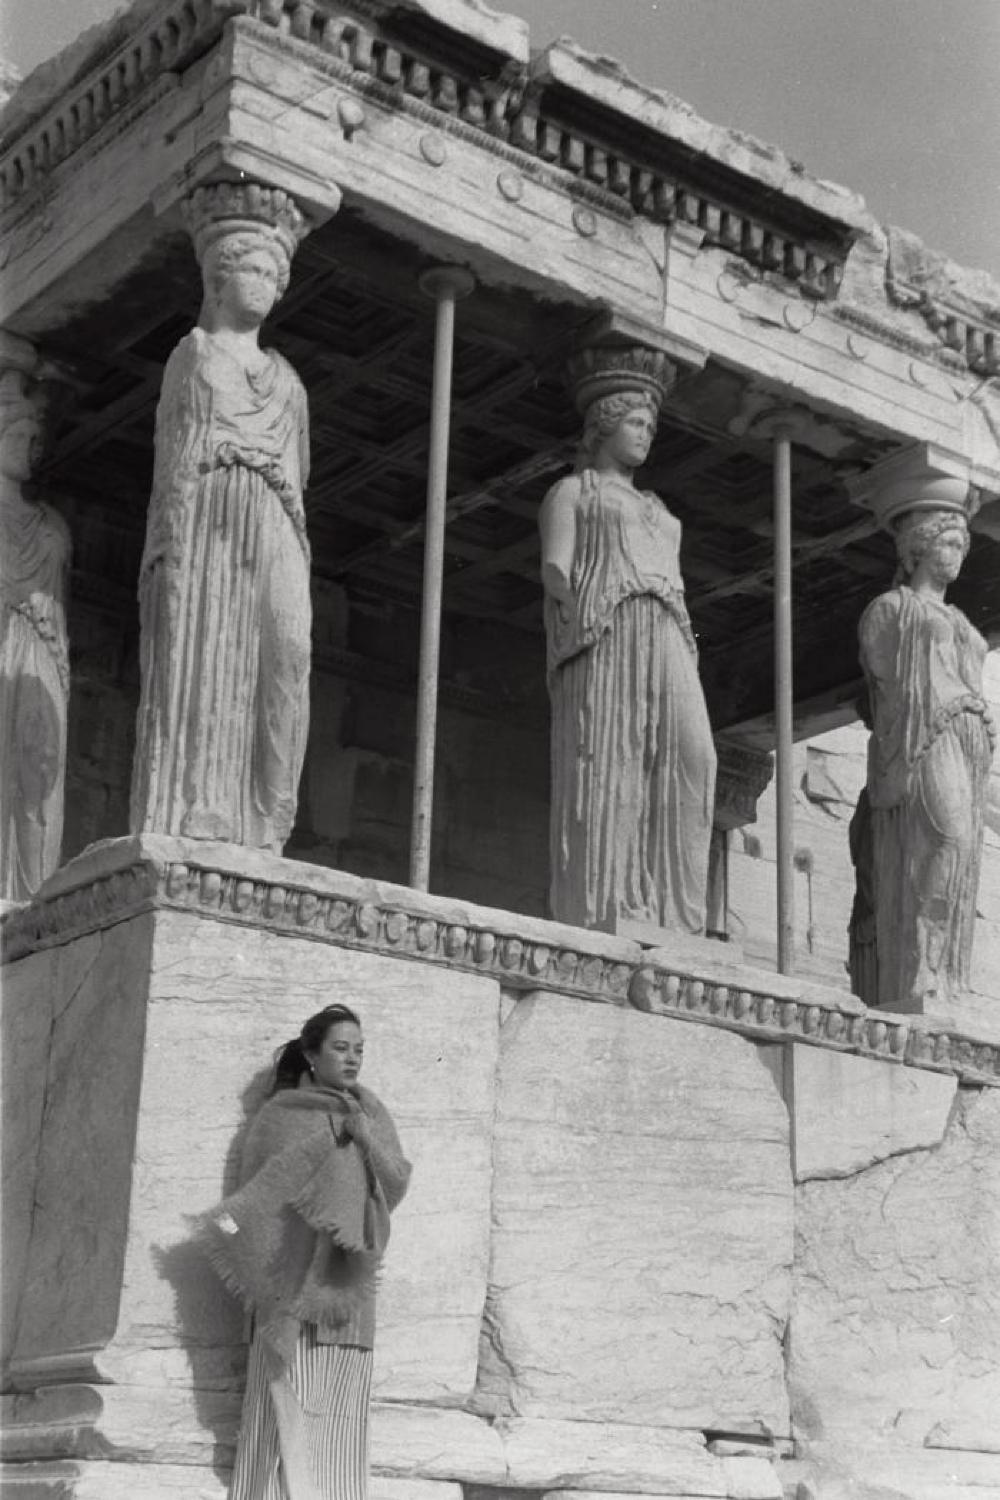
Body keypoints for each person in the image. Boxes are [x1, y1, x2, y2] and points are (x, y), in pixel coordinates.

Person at [130, 185, 312, 850]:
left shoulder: (288, 379)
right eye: (250, 268)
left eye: (272, 272)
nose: (262, 283)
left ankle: (267, 819)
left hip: (276, 520)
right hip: (208, 518)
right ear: (217, 276)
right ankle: (204, 811)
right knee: (209, 652)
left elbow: (302, 472)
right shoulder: (195, 356)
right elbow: (173, 456)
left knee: (288, 650)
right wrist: (167, 556)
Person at [539, 353, 716, 933]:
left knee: (696, 757)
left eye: (650, 427)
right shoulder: (572, 492)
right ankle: (610, 902)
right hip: (609, 629)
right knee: (614, 757)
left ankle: (675, 913)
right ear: (604, 425)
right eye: (636, 423)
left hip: (667, 628)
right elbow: (557, 570)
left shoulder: (663, 513)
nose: (645, 435)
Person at [206, 1004, 411, 1500]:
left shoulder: (370, 1111)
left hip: (346, 1293)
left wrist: (363, 1137)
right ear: (312, 1055)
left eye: (359, 1049)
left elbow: (397, 1182)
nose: (353, 1058)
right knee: (280, 1415)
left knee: (338, 1421)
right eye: (340, 1048)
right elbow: (257, 1195)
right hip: (289, 1290)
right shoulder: (281, 1116)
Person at [859, 507, 994, 1011]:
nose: (957, 555)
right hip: (927, 737)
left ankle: (939, 976)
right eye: (949, 543)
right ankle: (917, 969)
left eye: (962, 545)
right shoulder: (890, 609)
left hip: (969, 740)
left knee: (960, 859)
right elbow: (885, 682)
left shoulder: (958, 618)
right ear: (918, 546)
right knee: (946, 838)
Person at [0, 367, 70, 900]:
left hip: (41, 647)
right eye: (16, 437)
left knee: (40, 761)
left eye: (33, 439)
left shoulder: (51, 522)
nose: (30, 448)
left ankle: (28, 895)